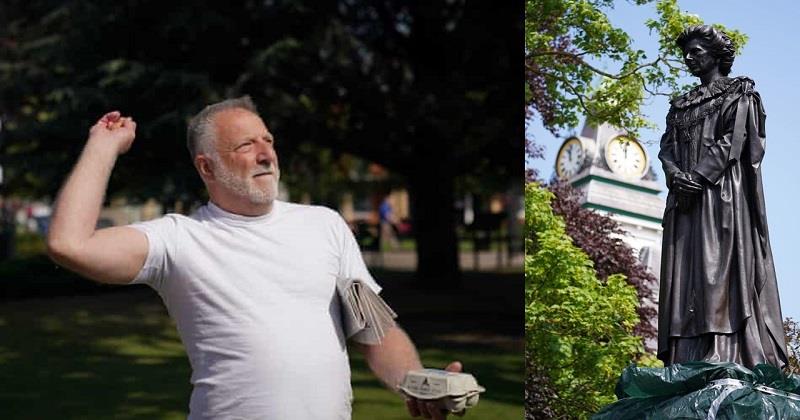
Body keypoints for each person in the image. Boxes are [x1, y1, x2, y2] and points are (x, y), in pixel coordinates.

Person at [46, 97, 462, 419]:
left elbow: (375, 330)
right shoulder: (179, 240)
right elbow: (70, 245)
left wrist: (415, 383)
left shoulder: (325, 225)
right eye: (247, 145)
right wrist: (103, 147)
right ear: (207, 167)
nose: (267, 154)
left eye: (269, 141)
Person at [657, 25, 788, 369]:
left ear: (716, 55)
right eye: (686, 53)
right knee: (683, 278)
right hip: (683, 202)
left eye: (696, 52)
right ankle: (683, 355)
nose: (688, 58)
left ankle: (721, 349)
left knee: (717, 271)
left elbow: (736, 140)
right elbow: (667, 149)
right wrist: (676, 177)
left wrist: (698, 177)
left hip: (720, 198)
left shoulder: (739, 93)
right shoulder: (680, 106)